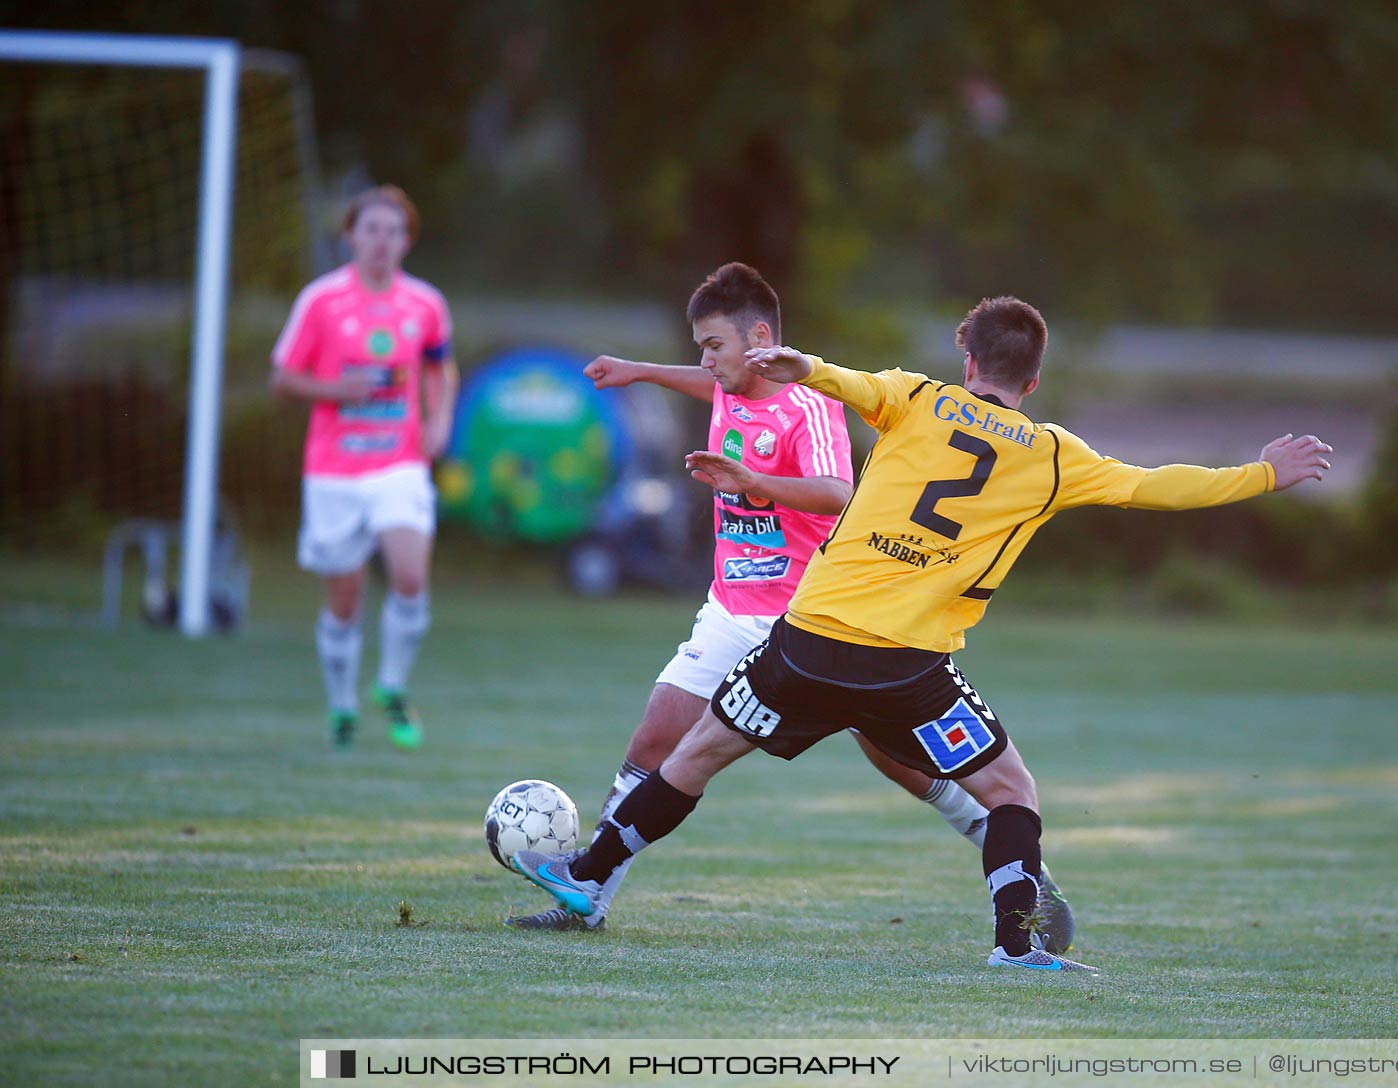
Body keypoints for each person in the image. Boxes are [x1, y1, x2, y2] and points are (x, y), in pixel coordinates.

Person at [511, 295, 1332, 971]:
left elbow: (841, 380)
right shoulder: (1051, 456)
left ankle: (589, 878)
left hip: (806, 638)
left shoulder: (917, 397)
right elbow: (1157, 488)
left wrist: (806, 367)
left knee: (692, 757)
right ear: (1034, 378)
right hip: (907, 670)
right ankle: (1016, 947)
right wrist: (1263, 472)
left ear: (967, 361)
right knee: (1012, 791)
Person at [505, 265, 1075, 949]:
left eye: (714, 346)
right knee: (659, 738)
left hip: (812, 615)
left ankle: (1017, 861)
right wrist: (641, 371)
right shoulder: (729, 387)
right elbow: (713, 388)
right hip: (731, 606)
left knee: (903, 761)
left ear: (761, 339)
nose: (706, 362)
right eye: (701, 349)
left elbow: (839, 492)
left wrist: (754, 482)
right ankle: (587, 895)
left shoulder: (809, 405)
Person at [270, 185, 458, 750]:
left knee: (410, 575)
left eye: (393, 231)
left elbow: (438, 367)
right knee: (345, 595)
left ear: (406, 240)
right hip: (333, 471)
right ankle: (342, 705)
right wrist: (334, 388)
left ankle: (392, 686)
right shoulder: (321, 301)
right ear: (350, 235)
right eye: (371, 229)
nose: (381, 241)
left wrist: (440, 419)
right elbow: (282, 378)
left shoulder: (424, 304)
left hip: (398, 464)